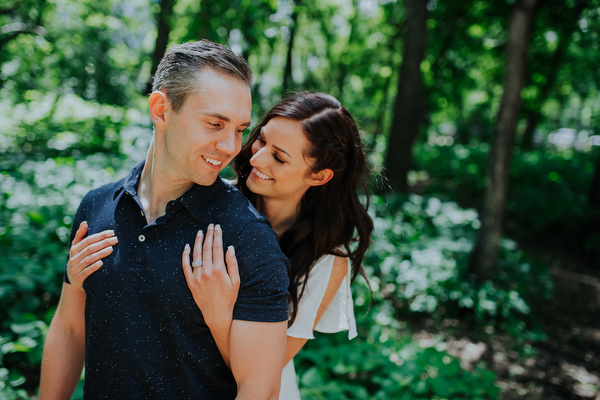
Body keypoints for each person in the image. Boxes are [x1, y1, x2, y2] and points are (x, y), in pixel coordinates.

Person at [39, 40, 291, 400]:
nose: (231, 146)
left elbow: (260, 391)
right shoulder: (95, 208)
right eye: (215, 124)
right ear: (161, 109)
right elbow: (69, 329)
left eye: (239, 129)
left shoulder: (248, 238)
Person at [182, 93, 374, 399]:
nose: (256, 159)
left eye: (279, 157)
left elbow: (264, 373)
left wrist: (217, 313)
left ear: (319, 175)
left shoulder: (326, 259)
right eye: (261, 140)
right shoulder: (211, 201)